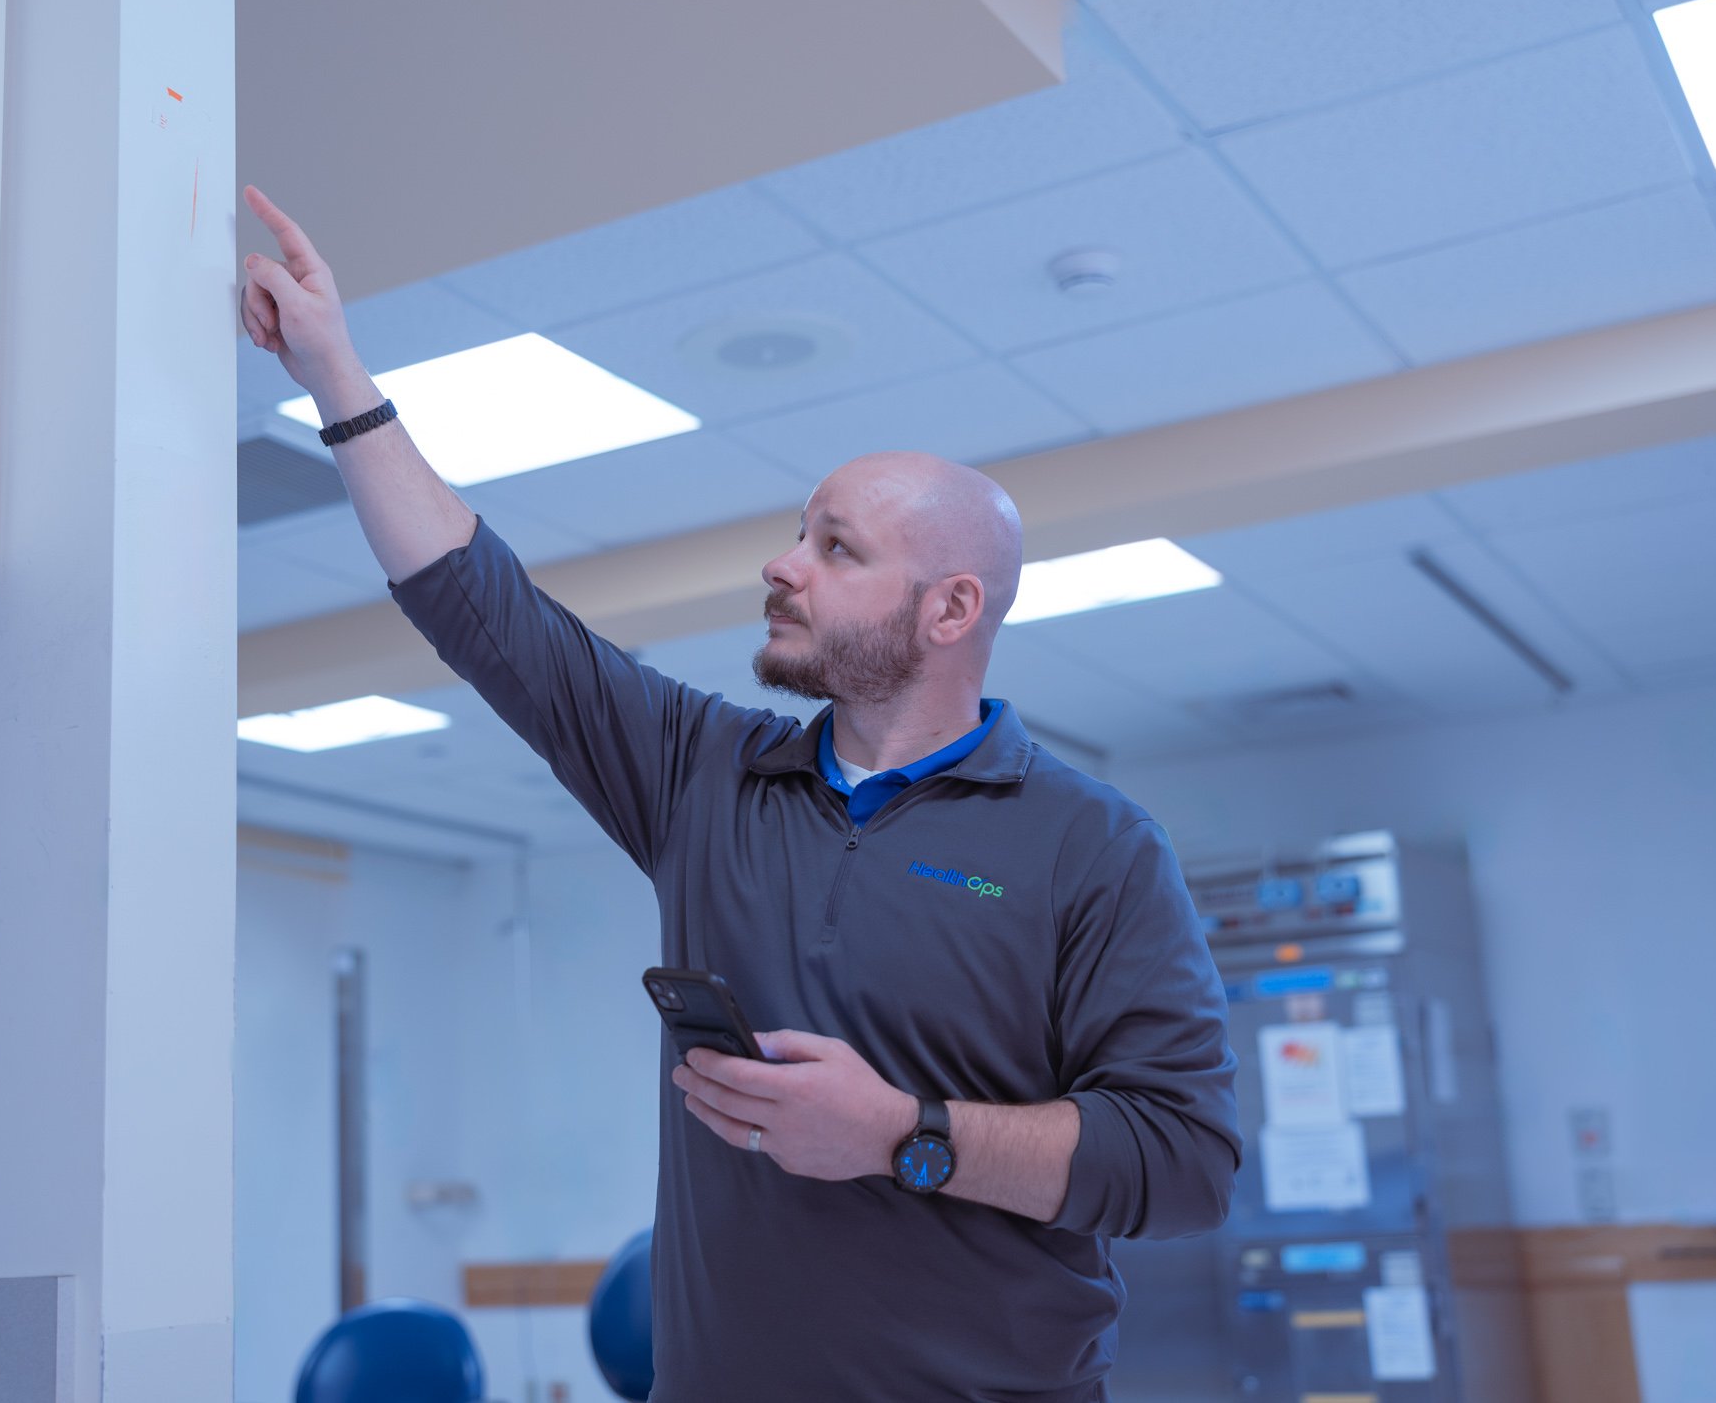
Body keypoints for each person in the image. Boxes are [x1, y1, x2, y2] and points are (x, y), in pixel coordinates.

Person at [240, 184, 1240, 1402]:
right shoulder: (705, 775)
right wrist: (336, 374)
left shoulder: (1092, 846)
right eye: (796, 533)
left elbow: (1184, 1162)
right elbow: (482, 609)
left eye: (836, 547)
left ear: (952, 609)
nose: (783, 563)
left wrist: (898, 1132)